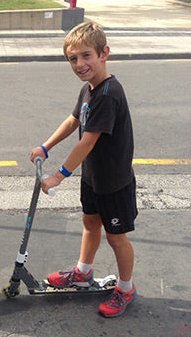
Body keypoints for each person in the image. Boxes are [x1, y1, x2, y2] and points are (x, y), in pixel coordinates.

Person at [30, 21, 137, 318]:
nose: (79, 64)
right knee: (90, 224)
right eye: (73, 59)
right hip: (93, 177)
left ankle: (126, 287)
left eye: (86, 56)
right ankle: (82, 272)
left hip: (114, 182)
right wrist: (45, 146)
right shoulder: (89, 89)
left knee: (116, 237)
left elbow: (86, 143)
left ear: (104, 53)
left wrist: (58, 176)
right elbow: (73, 121)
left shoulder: (107, 94)